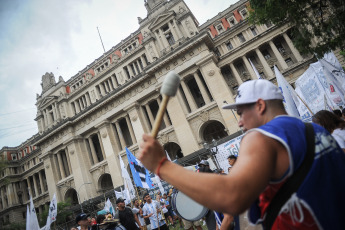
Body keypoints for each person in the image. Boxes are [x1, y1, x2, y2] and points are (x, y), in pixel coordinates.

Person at [138, 79, 345, 229]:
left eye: (240, 113)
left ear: (260, 106)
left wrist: (161, 165)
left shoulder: (261, 137)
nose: (239, 122)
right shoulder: (317, 130)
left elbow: (233, 196)